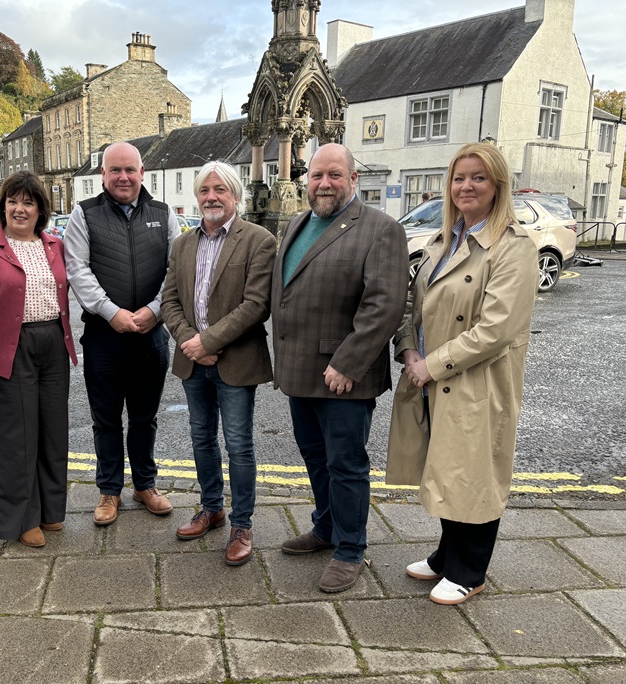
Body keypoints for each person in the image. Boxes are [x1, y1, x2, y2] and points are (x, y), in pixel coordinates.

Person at [386, 143, 538, 605]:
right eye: (459, 178)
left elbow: (495, 330)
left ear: (498, 187)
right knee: (445, 468)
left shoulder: (514, 249)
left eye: (479, 178)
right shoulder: (441, 241)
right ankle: (446, 554)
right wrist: (409, 351)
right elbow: (412, 305)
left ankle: (470, 570)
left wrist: (430, 366)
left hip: (476, 383)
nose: (467, 186)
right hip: (430, 377)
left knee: (474, 474)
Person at [272, 143, 409, 593]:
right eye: (316, 176)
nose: (323, 184)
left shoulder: (381, 229)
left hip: (343, 374)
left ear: (353, 179)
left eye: (334, 175)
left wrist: (348, 363)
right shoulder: (298, 223)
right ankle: (326, 528)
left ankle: (350, 548)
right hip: (299, 371)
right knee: (315, 459)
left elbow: (385, 304)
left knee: (346, 464)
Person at [161, 162, 275, 566]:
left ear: (235, 195)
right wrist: (191, 343)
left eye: (220, 190)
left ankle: (242, 524)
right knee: (201, 438)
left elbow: (256, 305)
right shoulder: (182, 244)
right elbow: (169, 300)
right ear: (197, 197)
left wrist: (208, 342)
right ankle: (212, 508)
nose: (211, 196)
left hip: (236, 362)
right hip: (194, 361)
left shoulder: (259, 240)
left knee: (239, 445)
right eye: (205, 190)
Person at [0, 171, 78, 548]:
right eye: (13, 201)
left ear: (41, 209)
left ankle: (49, 511)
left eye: (28, 202)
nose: (20, 208)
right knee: (15, 439)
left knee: (52, 432)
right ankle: (21, 519)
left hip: (54, 346)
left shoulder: (55, 246)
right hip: (9, 349)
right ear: (3, 206)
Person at [65, 141, 181, 526]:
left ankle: (145, 485)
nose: (123, 177)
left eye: (130, 169)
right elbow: (77, 269)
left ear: (142, 173)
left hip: (151, 337)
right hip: (104, 337)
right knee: (106, 420)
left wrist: (154, 310)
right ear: (103, 175)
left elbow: (176, 270)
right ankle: (109, 490)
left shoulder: (164, 215)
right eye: (115, 170)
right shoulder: (84, 214)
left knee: (145, 419)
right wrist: (110, 312)